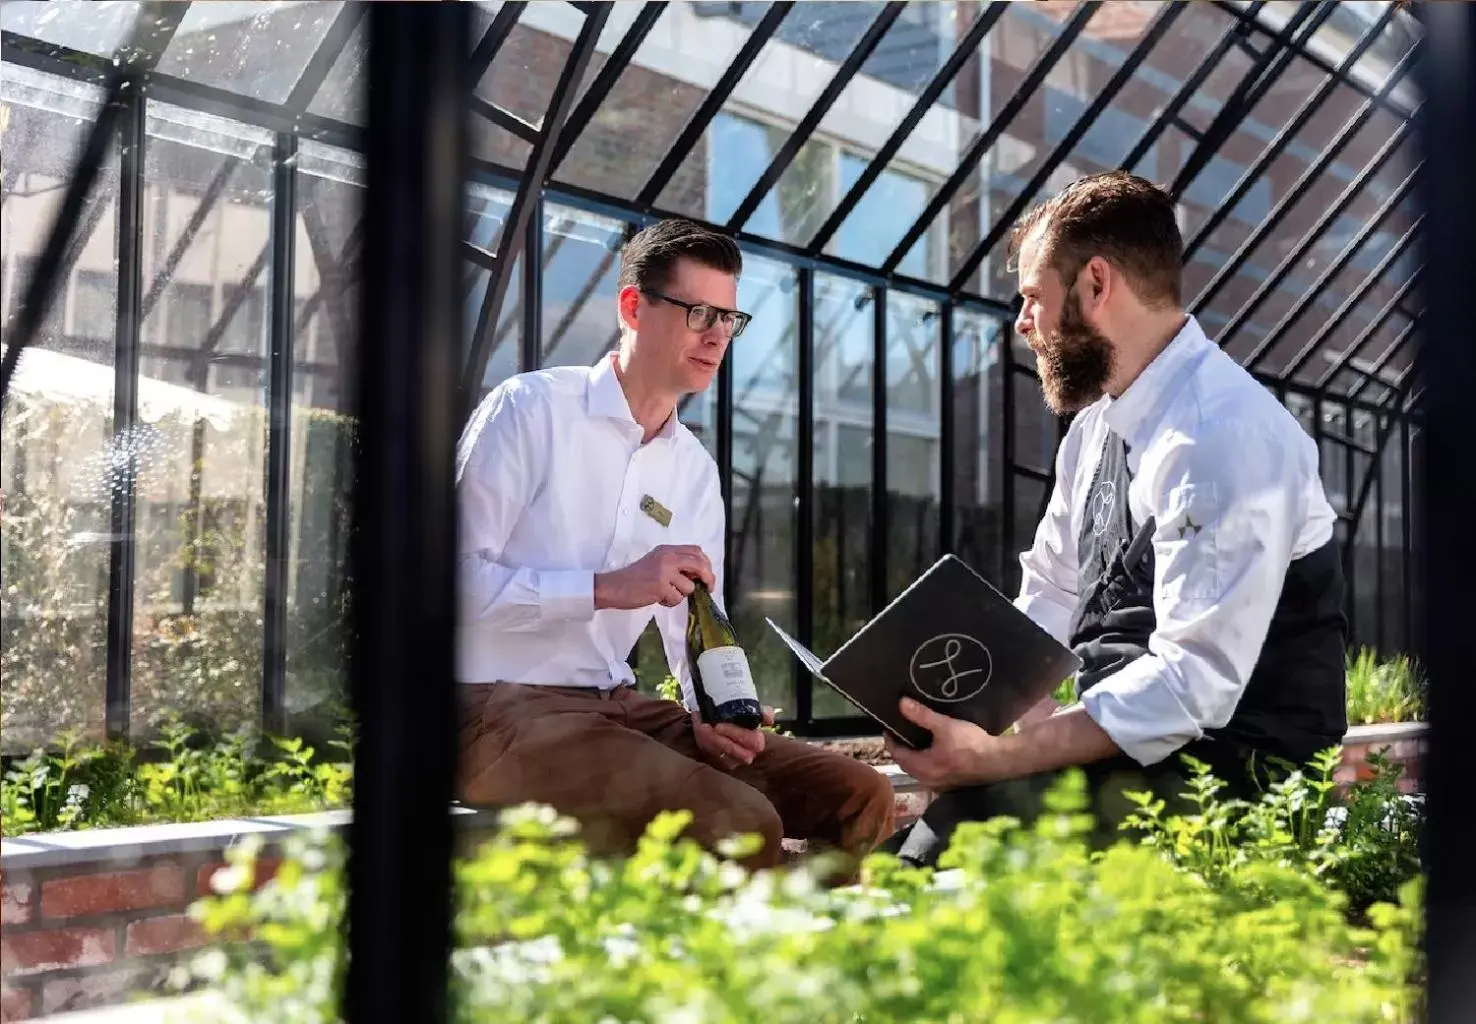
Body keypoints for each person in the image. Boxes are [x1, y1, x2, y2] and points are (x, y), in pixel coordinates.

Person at [881, 171, 1348, 867]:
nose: (1023, 323)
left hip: (1233, 784)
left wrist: (997, 761)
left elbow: (1190, 687)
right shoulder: (1096, 430)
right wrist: (968, 717)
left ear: (1096, 285)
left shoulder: (1220, 436)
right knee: (927, 852)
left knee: (943, 863)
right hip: (1128, 767)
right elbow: (1049, 597)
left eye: (1033, 296)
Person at [454, 217, 895, 876]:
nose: (718, 334)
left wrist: (713, 713)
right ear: (634, 307)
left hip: (615, 707)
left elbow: (695, 620)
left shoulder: (691, 466)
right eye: (698, 313)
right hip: (489, 711)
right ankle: (732, 969)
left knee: (860, 794)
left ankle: (822, 964)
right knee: (738, 823)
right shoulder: (531, 410)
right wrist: (605, 587)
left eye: (729, 318)